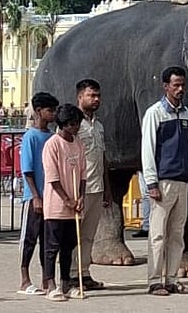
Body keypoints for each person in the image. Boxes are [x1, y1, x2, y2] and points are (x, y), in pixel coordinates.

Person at [141, 66, 188, 296]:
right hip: (163, 181)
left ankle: (171, 279)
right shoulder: (155, 113)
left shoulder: (185, 113)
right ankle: (155, 280)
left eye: (182, 85)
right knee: (158, 233)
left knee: (177, 233)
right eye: (176, 85)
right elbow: (148, 149)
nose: (180, 89)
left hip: (182, 180)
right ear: (166, 86)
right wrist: (151, 183)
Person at [41, 103, 86, 302]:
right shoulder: (52, 144)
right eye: (74, 125)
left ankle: (66, 282)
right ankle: (49, 283)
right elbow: (52, 177)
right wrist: (66, 199)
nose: (77, 128)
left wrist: (81, 196)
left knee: (69, 246)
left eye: (78, 124)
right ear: (64, 125)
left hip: (74, 204)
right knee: (52, 247)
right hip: (57, 205)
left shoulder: (79, 143)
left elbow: (83, 174)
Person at [69, 79, 111, 291]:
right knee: (74, 233)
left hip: (97, 187)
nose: (96, 100)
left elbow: (102, 157)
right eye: (91, 95)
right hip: (78, 188)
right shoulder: (73, 124)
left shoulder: (99, 125)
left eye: (98, 96)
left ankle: (84, 272)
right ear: (80, 97)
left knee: (89, 235)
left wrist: (108, 189)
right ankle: (70, 273)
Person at [17, 92, 59, 296]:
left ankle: (46, 278)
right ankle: (24, 278)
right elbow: (27, 169)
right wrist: (35, 195)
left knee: (47, 239)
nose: (52, 114)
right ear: (39, 111)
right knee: (29, 238)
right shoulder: (30, 137)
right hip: (33, 196)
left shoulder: (53, 137)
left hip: (51, 197)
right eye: (50, 110)